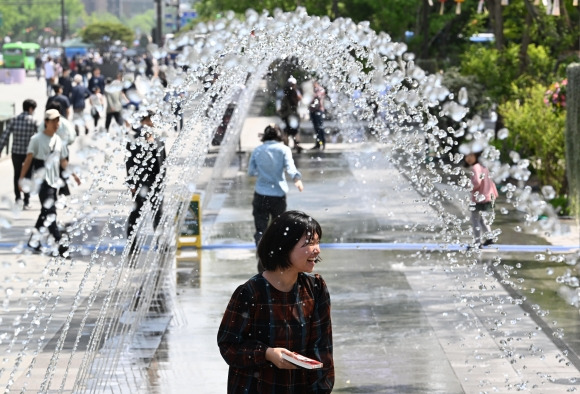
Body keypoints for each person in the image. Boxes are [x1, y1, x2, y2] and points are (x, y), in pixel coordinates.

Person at [217, 210, 334, 394]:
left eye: (317, 242)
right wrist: (267, 354)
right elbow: (228, 345)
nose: (317, 249)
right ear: (284, 246)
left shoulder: (315, 289)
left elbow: (322, 349)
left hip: (299, 388)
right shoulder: (250, 293)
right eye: (309, 243)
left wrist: (321, 389)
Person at [19, 109, 80, 257]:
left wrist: (74, 175)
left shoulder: (58, 140)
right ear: (46, 122)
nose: (56, 124)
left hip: (53, 181)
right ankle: (61, 247)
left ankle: (33, 240)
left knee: (45, 213)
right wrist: (21, 179)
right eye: (53, 121)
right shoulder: (36, 139)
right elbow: (28, 161)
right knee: (51, 213)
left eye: (58, 121)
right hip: (41, 181)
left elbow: (62, 161)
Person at [248, 124, 304, 246]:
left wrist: (263, 173)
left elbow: (251, 172)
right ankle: (276, 256)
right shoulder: (284, 149)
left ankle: (261, 255)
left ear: (265, 135)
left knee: (261, 229)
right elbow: (290, 167)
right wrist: (297, 179)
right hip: (278, 195)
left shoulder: (258, 150)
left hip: (260, 194)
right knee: (278, 228)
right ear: (280, 135)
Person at [125, 110, 166, 252]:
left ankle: (161, 243)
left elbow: (162, 160)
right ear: (145, 121)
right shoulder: (134, 138)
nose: (154, 123)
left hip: (155, 181)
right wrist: (132, 184)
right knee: (137, 213)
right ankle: (132, 244)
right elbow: (129, 162)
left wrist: (162, 180)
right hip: (140, 182)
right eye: (152, 120)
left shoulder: (158, 138)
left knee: (158, 212)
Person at [0, 99, 38, 209]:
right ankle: (26, 200)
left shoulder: (14, 119)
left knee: (17, 175)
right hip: (29, 154)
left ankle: (18, 199)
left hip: (16, 152)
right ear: (30, 109)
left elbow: (5, 136)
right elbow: (39, 136)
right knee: (27, 176)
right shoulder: (34, 121)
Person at [465, 149, 499, 247]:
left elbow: (477, 182)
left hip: (479, 197)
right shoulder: (483, 166)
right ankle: (490, 237)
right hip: (487, 196)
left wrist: (469, 186)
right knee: (481, 219)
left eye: (470, 155)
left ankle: (477, 242)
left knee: (475, 219)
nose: (467, 158)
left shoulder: (475, 167)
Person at [279, 76, 303, 153]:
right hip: (294, 115)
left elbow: (283, 105)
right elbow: (300, 101)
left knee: (286, 131)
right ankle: (297, 145)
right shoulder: (296, 93)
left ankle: (286, 147)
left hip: (286, 115)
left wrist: (281, 111)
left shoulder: (285, 93)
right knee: (295, 131)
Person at [309, 80, 326, 150]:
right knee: (316, 128)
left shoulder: (320, 89)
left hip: (318, 110)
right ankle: (318, 143)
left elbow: (318, 97)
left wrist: (311, 96)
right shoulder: (312, 90)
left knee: (320, 127)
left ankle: (323, 143)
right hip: (313, 111)